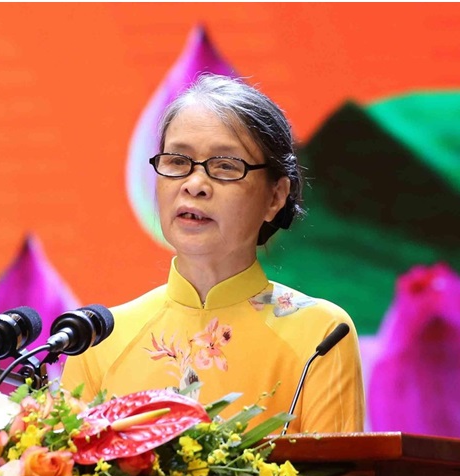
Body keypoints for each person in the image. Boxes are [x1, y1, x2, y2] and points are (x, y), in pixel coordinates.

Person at [62, 74, 364, 434]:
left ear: (275, 197)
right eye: (177, 161)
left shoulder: (321, 335)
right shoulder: (98, 340)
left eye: (225, 167)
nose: (194, 185)